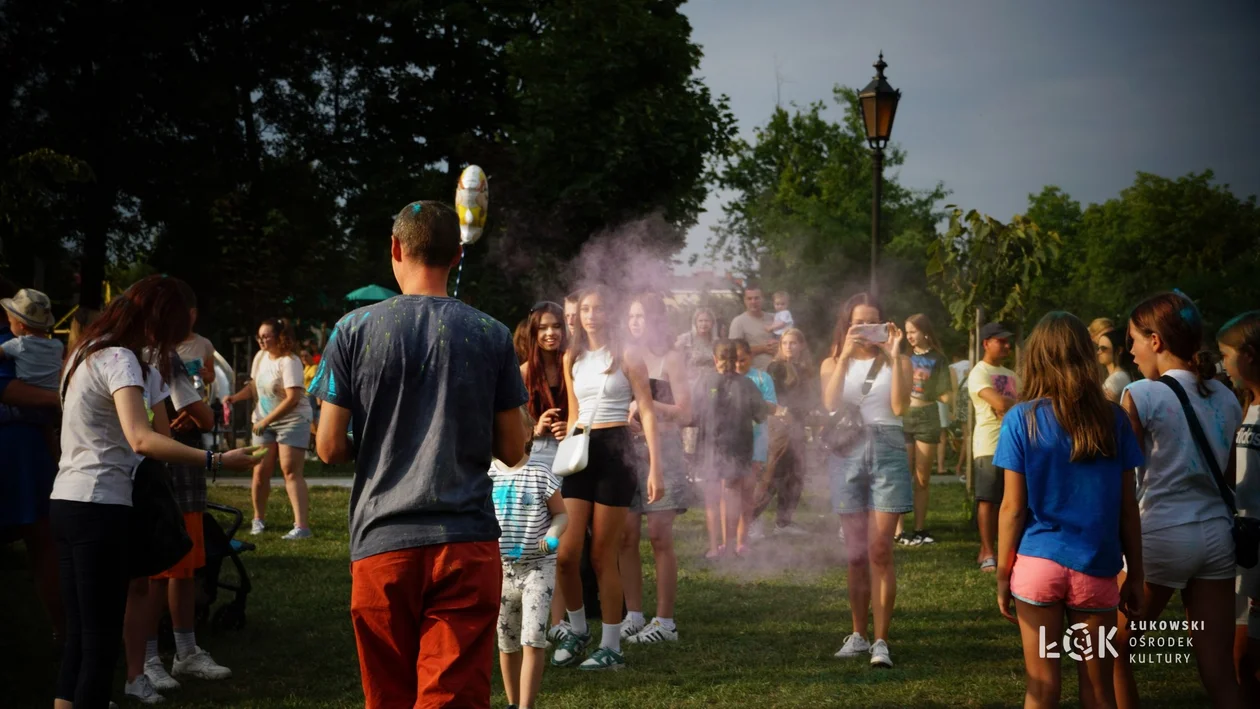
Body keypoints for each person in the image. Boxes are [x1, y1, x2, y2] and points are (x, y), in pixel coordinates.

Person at [310, 200, 529, 709]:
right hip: (465, 542)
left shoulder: (352, 330)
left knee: (386, 697)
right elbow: (514, 451)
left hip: (382, 543)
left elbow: (327, 448)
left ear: (395, 248)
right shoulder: (491, 333)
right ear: (456, 255)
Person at [51, 275, 258, 709]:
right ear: (159, 322)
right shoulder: (120, 359)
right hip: (100, 507)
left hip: (66, 502)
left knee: (78, 636)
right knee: (99, 642)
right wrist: (218, 461)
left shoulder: (82, 354)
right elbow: (142, 439)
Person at [994, 312, 1145, 709]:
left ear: (1036, 358)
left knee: (1042, 688)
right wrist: (1137, 573)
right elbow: (1128, 508)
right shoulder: (1114, 419)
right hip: (1096, 568)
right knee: (1098, 689)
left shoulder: (1020, 420)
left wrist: (1002, 573)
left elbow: (1011, 508)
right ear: (1086, 354)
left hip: (1038, 567)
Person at [1111, 292, 1246, 709]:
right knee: (1219, 670)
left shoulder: (1140, 394)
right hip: (1218, 540)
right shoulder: (1225, 396)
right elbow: (1229, 476)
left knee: (1109, 651)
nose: (1129, 351)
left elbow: (1122, 483)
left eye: (1133, 339)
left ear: (1156, 340)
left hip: (1161, 537)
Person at [551, 286, 661, 671]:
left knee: (602, 555)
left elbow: (646, 411)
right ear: (578, 315)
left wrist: (656, 467)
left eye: (599, 308)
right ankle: (578, 631)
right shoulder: (572, 357)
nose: (592, 315)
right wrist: (561, 459)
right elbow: (573, 412)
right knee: (565, 555)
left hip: (618, 454)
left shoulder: (627, 355)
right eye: (586, 309)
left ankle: (611, 646)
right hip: (581, 452)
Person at [124, 347, 226, 704]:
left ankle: (185, 650)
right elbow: (203, 417)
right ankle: (149, 658)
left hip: (181, 472)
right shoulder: (146, 356)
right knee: (157, 570)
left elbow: (194, 415)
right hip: (160, 476)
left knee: (184, 566)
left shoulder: (163, 355)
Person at [821, 293, 912, 669]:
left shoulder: (899, 360)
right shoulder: (831, 362)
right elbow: (828, 403)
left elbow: (900, 406)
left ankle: (881, 640)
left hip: (888, 446)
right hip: (847, 451)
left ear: (885, 325)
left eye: (874, 323)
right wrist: (844, 355)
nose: (866, 330)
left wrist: (893, 353)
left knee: (880, 550)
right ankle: (858, 634)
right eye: (859, 323)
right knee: (856, 553)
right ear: (848, 325)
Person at [619, 292, 691, 644]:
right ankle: (633, 615)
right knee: (626, 536)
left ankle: (665, 622)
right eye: (632, 316)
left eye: (642, 316)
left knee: (660, 537)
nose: (636, 322)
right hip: (626, 453)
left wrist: (647, 406)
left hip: (664, 452)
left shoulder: (671, 358)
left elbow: (686, 411)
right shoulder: (624, 357)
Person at [0, 277, 64, 655]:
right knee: (44, 543)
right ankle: (63, 633)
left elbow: (5, 388)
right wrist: (61, 398)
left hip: (23, 446)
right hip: (29, 446)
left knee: (44, 542)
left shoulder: (10, 344)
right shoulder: (53, 346)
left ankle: (63, 633)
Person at [490, 441, 568, 709]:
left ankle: (526, 706)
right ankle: (513, 704)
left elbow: (560, 514)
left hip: (537, 568)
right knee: (507, 642)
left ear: (527, 433)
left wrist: (553, 533)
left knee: (533, 638)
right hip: (500, 570)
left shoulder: (541, 474)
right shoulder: (485, 475)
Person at [223, 318, 314, 539]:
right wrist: (235, 398)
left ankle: (301, 527)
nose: (261, 340)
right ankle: (258, 520)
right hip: (264, 420)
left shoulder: (290, 361)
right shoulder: (260, 357)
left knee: (290, 472)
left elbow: (293, 398)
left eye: (266, 336)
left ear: (280, 337)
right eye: (259, 337)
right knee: (259, 472)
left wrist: (265, 421)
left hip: (292, 420)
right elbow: (254, 386)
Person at [691, 339, 772, 560]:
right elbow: (761, 415)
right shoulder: (747, 385)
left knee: (712, 497)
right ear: (736, 360)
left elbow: (694, 413)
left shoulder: (704, 381)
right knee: (732, 495)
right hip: (739, 446)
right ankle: (730, 546)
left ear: (715, 359)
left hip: (710, 447)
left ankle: (713, 547)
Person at [1219, 311, 1260, 701]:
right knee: (1240, 659)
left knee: (1248, 656)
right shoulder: (1241, 405)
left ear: (1248, 355)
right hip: (1244, 546)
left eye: (1226, 354)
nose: (1222, 364)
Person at [752, 327, 818, 537]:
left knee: (796, 474)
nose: (789, 347)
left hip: (798, 426)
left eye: (793, 343)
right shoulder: (776, 367)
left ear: (801, 345)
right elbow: (774, 399)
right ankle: (752, 520)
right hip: (779, 426)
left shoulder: (804, 368)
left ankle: (784, 522)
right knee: (772, 474)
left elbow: (808, 399)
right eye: (785, 343)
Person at [897, 314, 952, 546]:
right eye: (907, 332)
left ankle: (919, 529)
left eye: (913, 331)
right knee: (901, 475)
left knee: (922, 478)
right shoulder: (903, 357)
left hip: (927, 417)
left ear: (925, 332)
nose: (909, 336)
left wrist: (946, 398)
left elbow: (945, 392)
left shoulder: (938, 359)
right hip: (904, 417)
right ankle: (898, 531)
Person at [969, 322, 1018, 572]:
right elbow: (998, 402)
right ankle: (987, 552)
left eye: (1008, 341)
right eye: (1001, 341)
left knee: (1012, 499)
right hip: (988, 444)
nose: (1007, 345)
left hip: (1014, 443)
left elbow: (1024, 403)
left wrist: (1009, 404)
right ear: (986, 343)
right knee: (987, 500)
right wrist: (1012, 403)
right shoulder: (979, 372)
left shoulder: (1013, 374)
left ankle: (1006, 550)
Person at [0, 287, 63, 459]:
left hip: (24, 414)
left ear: (20, 324)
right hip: (50, 409)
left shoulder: (17, 344)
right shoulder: (58, 345)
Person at [735, 338, 778, 546]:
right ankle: (731, 529)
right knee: (731, 485)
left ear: (750, 357)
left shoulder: (762, 378)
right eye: (734, 360)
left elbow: (772, 406)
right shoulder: (725, 378)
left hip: (756, 437)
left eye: (742, 360)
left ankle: (750, 521)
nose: (737, 365)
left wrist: (750, 404)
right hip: (731, 440)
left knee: (750, 484)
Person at [728, 285, 776, 370]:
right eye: (749, 299)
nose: (753, 302)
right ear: (744, 301)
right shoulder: (738, 322)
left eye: (757, 298)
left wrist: (779, 345)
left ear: (762, 299)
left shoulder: (774, 318)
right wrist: (763, 348)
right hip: (753, 375)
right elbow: (734, 350)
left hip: (778, 372)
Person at [675, 307, 717, 382]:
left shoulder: (716, 341)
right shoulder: (686, 339)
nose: (704, 324)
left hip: (711, 382)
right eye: (700, 321)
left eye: (707, 321)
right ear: (695, 323)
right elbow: (674, 360)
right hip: (690, 383)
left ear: (712, 323)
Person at [1096, 328, 1135, 403]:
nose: (1099, 352)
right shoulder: (1120, 376)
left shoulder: (1116, 380)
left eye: (1103, 349)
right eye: (1098, 348)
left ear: (1119, 350)